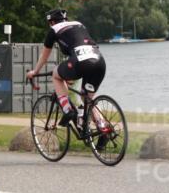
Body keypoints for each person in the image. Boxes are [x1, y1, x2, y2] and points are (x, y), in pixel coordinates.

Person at [26, 9, 113, 149]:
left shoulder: (54, 29)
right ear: (65, 19)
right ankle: (103, 128)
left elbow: (44, 56)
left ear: (51, 22)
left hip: (80, 62)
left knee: (56, 75)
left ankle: (67, 110)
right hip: (99, 61)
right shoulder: (78, 24)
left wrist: (34, 72)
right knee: (88, 99)